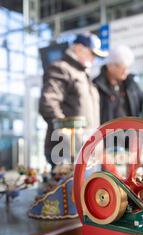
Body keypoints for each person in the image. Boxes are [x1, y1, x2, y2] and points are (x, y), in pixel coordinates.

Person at [39, 33, 107, 168]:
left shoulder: (83, 75)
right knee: (68, 189)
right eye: (92, 54)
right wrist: (69, 137)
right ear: (79, 48)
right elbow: (48, 103)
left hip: (86, 152)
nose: (93, 59)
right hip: (68, 153)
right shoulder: (62, 69)